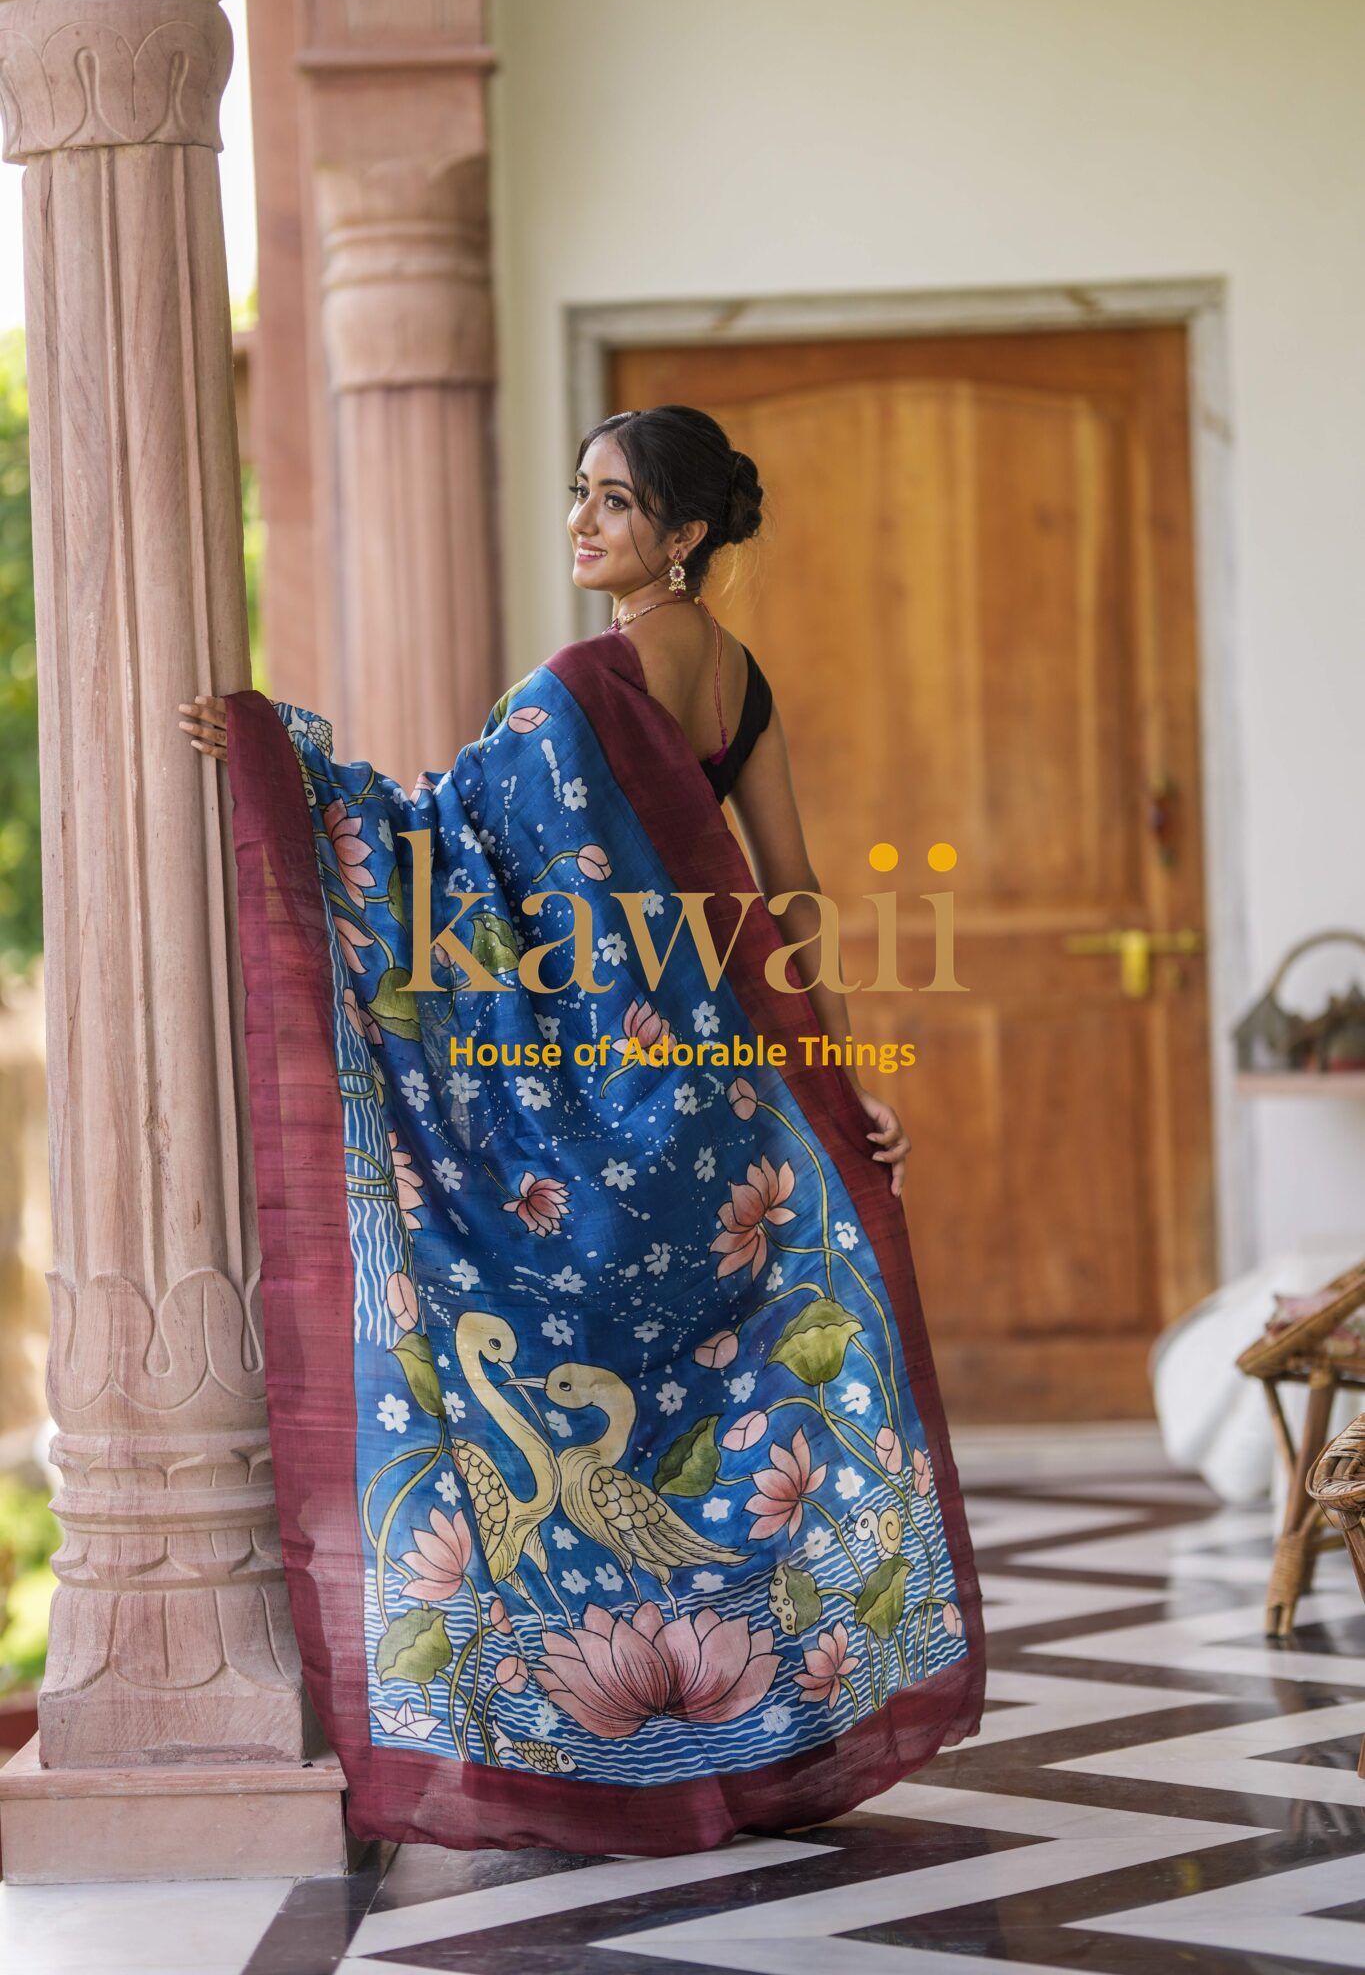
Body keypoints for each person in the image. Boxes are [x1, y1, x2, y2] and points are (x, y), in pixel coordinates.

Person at [179, 404, 983, 1857]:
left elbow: (442, 836)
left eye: (612, 504)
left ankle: (607, 1740)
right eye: (578, 495)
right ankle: (743, 1728)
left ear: (681, 536)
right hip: (720, 1102)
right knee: (721, 1403)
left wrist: (275, 762)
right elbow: (786, 889)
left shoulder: (589, 676)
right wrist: (840, 1061)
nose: (581, 523)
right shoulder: (737, 680)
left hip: (604, 1110)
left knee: (557, 1377)